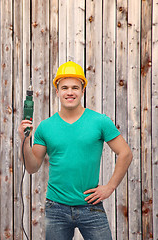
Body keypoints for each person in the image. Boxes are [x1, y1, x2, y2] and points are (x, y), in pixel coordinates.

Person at [18, 61, 133, 240]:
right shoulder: (45, 127)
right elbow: (32, 167)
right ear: (57, 92)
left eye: (75, 87)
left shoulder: (100, 121)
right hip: (56, 208)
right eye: (64, 88)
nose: (70, 92)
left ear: (82, 90)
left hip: (91, 207)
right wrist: (25, 142)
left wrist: (110, 187)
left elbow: (125, 153)